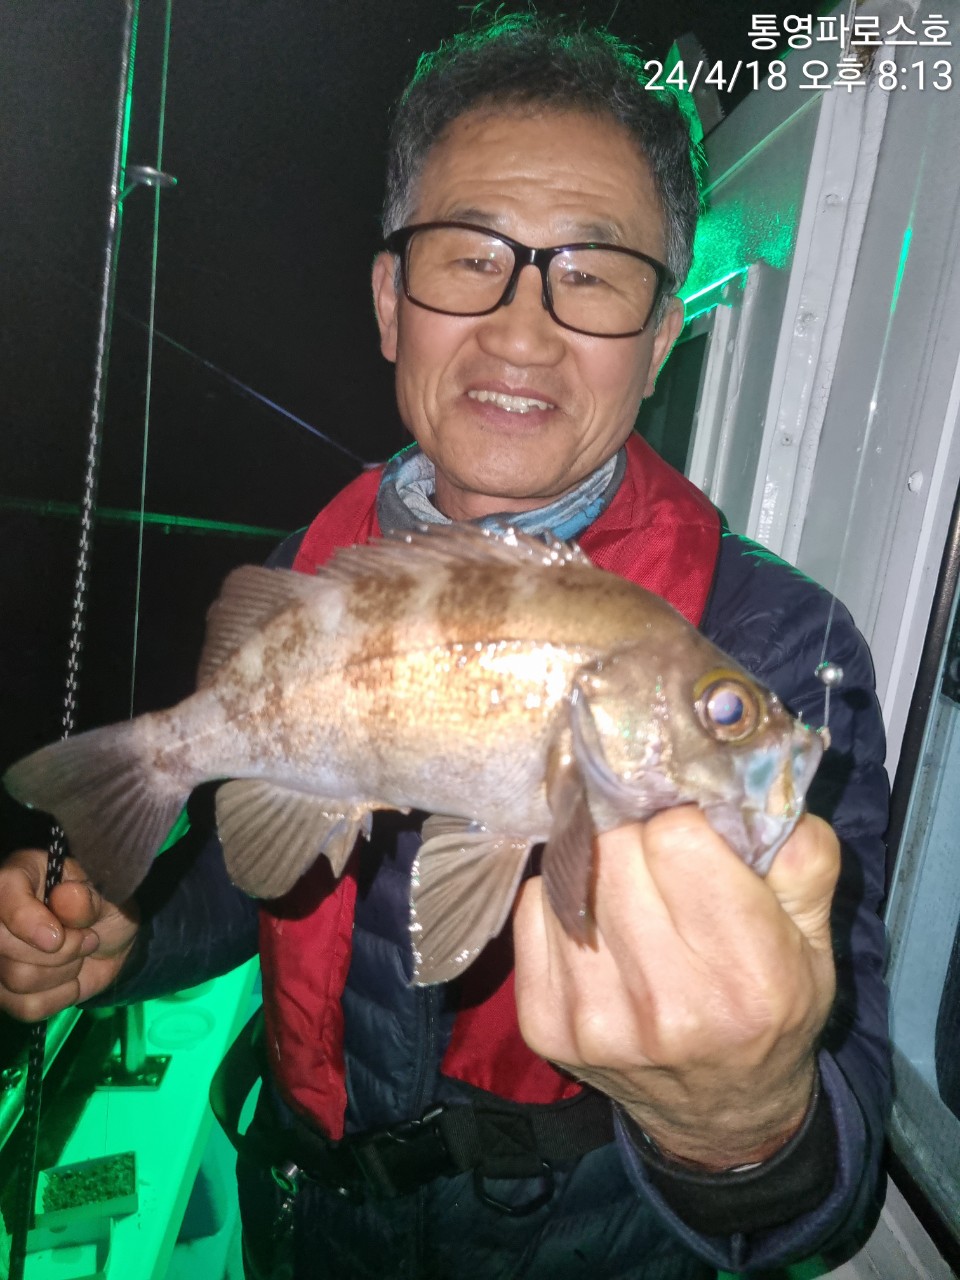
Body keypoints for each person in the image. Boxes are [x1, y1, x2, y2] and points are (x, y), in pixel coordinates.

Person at [0, 14, 889, 1279]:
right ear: (389, 303)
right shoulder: (312, 567)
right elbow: (261, 880)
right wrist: (130, 937)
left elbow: (837, 1187)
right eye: (470, 257)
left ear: (662, 337)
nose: (522, 331)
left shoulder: (784, 643)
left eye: (592, 272)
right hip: (307, 1222)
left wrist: (746, 1123)